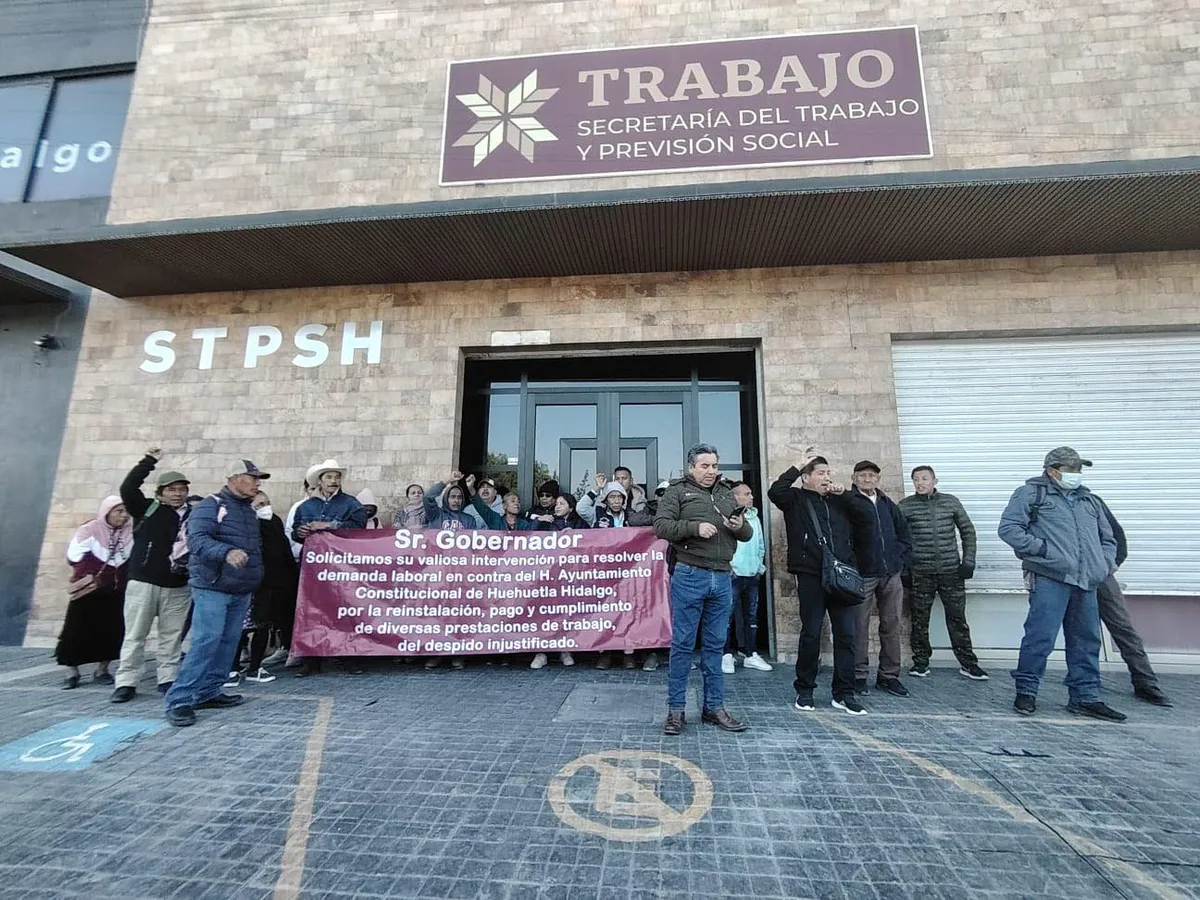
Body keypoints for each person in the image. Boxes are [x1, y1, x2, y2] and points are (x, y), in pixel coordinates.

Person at [999, 447, 1125, 722]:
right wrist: (1044, 551)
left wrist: (1103, 564)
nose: (1076, 474)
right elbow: (1009, 529)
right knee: (1040, 636)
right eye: (1071, 469)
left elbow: (1108, 537)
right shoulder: (1031, 494)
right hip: (1050, 577)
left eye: (1079, 469)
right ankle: (1027, 691)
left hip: (1087, 580)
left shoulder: (1089, 501)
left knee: (1086, 639)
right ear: (1052, 470)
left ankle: (1086, 696)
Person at [655, 442, 752, 734]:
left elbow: (746, 533)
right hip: (689, 575)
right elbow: (660, 526)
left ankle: (714, 707)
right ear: (691, 467)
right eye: (704, 466)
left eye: (714, 466)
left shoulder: (725, 493)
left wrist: (737, 526)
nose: (711, 471)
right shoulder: (676, 491)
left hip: (722, 578)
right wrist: (693, 528)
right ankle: (676, 711)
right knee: (683, 645)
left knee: (715, 646)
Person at [164, 460, 269, 727]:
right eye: (253, 478)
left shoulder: (247, 511)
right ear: (234, 478)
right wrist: (226, 552)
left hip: (239, 587)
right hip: (212, 586)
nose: (258, 483)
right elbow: (197, 540)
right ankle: (180, 699)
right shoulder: (210, 506)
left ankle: (209, 692)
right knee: (206, 640)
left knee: (228, 641)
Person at [769, 451, 874, 716]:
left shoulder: (840, 501)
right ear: (806, 478)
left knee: (846, 635)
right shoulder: (795, 499)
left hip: (841, 576)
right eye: (820, 473)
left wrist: (846, 494)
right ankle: (805, 690)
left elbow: (866, 517)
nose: (827, 477)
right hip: (811, 574)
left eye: (828, 473)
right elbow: (775, 491)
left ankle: (844, 693)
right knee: (812, 633)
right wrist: (797, 465)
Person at [112, 449, 193, 703]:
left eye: (181, 489)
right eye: (171, 489)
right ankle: (126, 681)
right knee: (136, 635)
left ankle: (167, 678)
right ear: (161, 492)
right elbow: (128, 487)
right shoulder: (147, 508)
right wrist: (148, 462)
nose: (177, 494)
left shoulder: (195, 513)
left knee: (171, 636)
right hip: (144, 582)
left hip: (178, 584)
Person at [898, 466, 988, 681]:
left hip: (951, 572)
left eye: (924, 478)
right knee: (920, 620)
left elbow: (968, 531)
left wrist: (968, 561)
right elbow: (898, 540)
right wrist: (904, 571)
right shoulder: (905, 507)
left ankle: (968, 663)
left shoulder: (950, 502)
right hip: (921, 573)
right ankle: (920, 663)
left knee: (957, 619)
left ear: (934, 480)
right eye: (916, 479)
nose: (920, 483)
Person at [1091, 495, 1171, 706]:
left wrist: (1112, 564)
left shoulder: (1091, 501)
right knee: (1080, 632)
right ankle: (1083, 679)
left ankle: (1146, 683)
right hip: (1067, 575)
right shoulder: (1042, 499)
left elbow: (1116, 536)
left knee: (1123, 628)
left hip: (1101, 575)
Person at [847, 461, 912, 697]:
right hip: (863, 575)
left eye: (872, 475)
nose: (867, 479)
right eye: (862, 475)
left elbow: (904, 532)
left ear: (878, 479)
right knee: (859, 627)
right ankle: (858, 676)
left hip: (891, 573)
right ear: (854, 478)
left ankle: (889, 676)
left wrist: (900, 558)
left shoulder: (887, 503)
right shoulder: (849, 502)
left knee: (891, 625)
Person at [56, 496, 131, 689]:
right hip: (89, 591)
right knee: (77, 630)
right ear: (107, 512)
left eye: (125, 511)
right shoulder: (89, 529)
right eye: (118, 511)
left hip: (116, 591)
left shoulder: (131, 531)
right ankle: (71, 671)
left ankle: (102, 670)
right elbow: (73, 557)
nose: (123, 516)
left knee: (111, 631)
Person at [226, 491, 299, 687]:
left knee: (262, 627)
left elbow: (283, 551)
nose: (265, 507)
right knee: (240, 629)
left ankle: (254, 667)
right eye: (259, 505)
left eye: (267, 503)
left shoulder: (273, 522)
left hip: (271, 585)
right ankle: (231, 668)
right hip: (248, 584)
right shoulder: (244, 526)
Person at [590, 481, 654, 670]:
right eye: (612, 497)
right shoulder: (598, 516)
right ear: (607, 500)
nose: (616, 501)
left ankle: (628, 653)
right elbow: (581, 508)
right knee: (606, 613)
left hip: (629, 572)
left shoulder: (633, 517)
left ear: (624, 500)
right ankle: (605, 653)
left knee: (628, 611)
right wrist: (596, 489)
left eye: (619, 497)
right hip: (606, 571)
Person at [722, 481, 772, 675]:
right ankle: (726, 654)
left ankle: (750, 654)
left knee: (751, 617)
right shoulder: (728, 518)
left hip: (752, 575)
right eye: (747, 493)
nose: (751, 497)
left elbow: (760, 544)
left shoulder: (755, 518)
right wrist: (729, 567)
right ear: (735, 497)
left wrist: (759, 568)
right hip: (732, 575)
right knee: (727, 616)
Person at [292, 459, 367, 542]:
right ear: (319, 481)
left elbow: (360, 529)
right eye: (329, 477)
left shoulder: (353, 504)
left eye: (337, 477)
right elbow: (294, 533)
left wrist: (329, 525)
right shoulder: (304, 507)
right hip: (312, 553)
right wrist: (299, 533)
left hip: (339, 553)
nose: (333, 481)